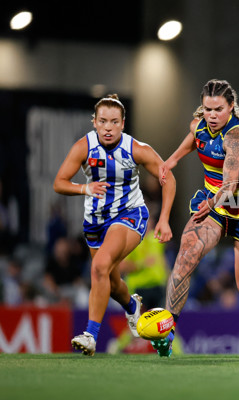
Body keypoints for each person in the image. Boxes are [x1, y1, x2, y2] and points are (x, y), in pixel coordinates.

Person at [151, 79, 239, 357]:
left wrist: (213, 200)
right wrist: (173, 159)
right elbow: (196, 139)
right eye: (207, 109)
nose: (212, 116)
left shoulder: (237, 135)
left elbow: (231, 181)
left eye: (218, 109)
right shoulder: (199, 124)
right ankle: (168, 331)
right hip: (214, 208)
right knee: (186, 255)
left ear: (231, 107)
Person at [53, 94, 176, 356]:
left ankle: (90, 335)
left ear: (123, 123)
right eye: (103, 121)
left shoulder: (136, 149)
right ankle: (131, 305)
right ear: (94, 122)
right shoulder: (83, 147)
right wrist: (85, 188)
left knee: (98, 267)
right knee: (109, 277)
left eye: (114, 122)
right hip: (95, 223)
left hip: (130, 215)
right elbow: (59, 182)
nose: (108, 127)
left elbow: (169, 178)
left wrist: (164, 218)